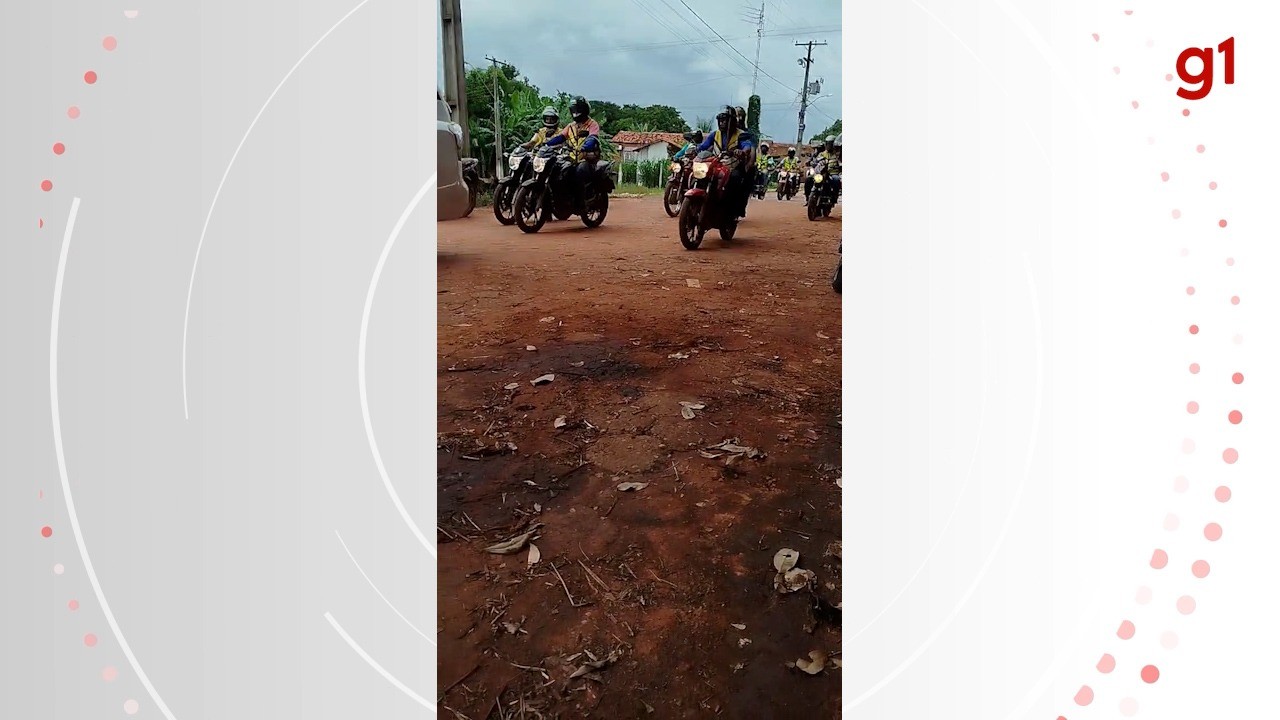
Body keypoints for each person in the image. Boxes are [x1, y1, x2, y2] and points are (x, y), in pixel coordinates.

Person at [694, 105, 754, 218]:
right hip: (717, 164)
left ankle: (730, 210)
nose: (722, 123)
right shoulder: (714, 134)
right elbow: (704, 145)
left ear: (732, 121)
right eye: (720, 120)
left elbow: (747, 146)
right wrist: (695, 149)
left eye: (725, 120)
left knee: (735, 178)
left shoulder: (740, 134)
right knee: (701, 175)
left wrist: (742, 151)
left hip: (733, 165)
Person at [543, 96, 601, 210]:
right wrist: (546, 144)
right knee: (558, 170)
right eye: (574, 109)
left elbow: (593, 137)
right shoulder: (571, 126)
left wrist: (585, 147)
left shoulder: (592, 124)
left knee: (579, 172)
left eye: (578, 109)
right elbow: (560, 137)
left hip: (588, 157)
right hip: (571, 157)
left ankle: (580, 201)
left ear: (584, 110)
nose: (576, 112)